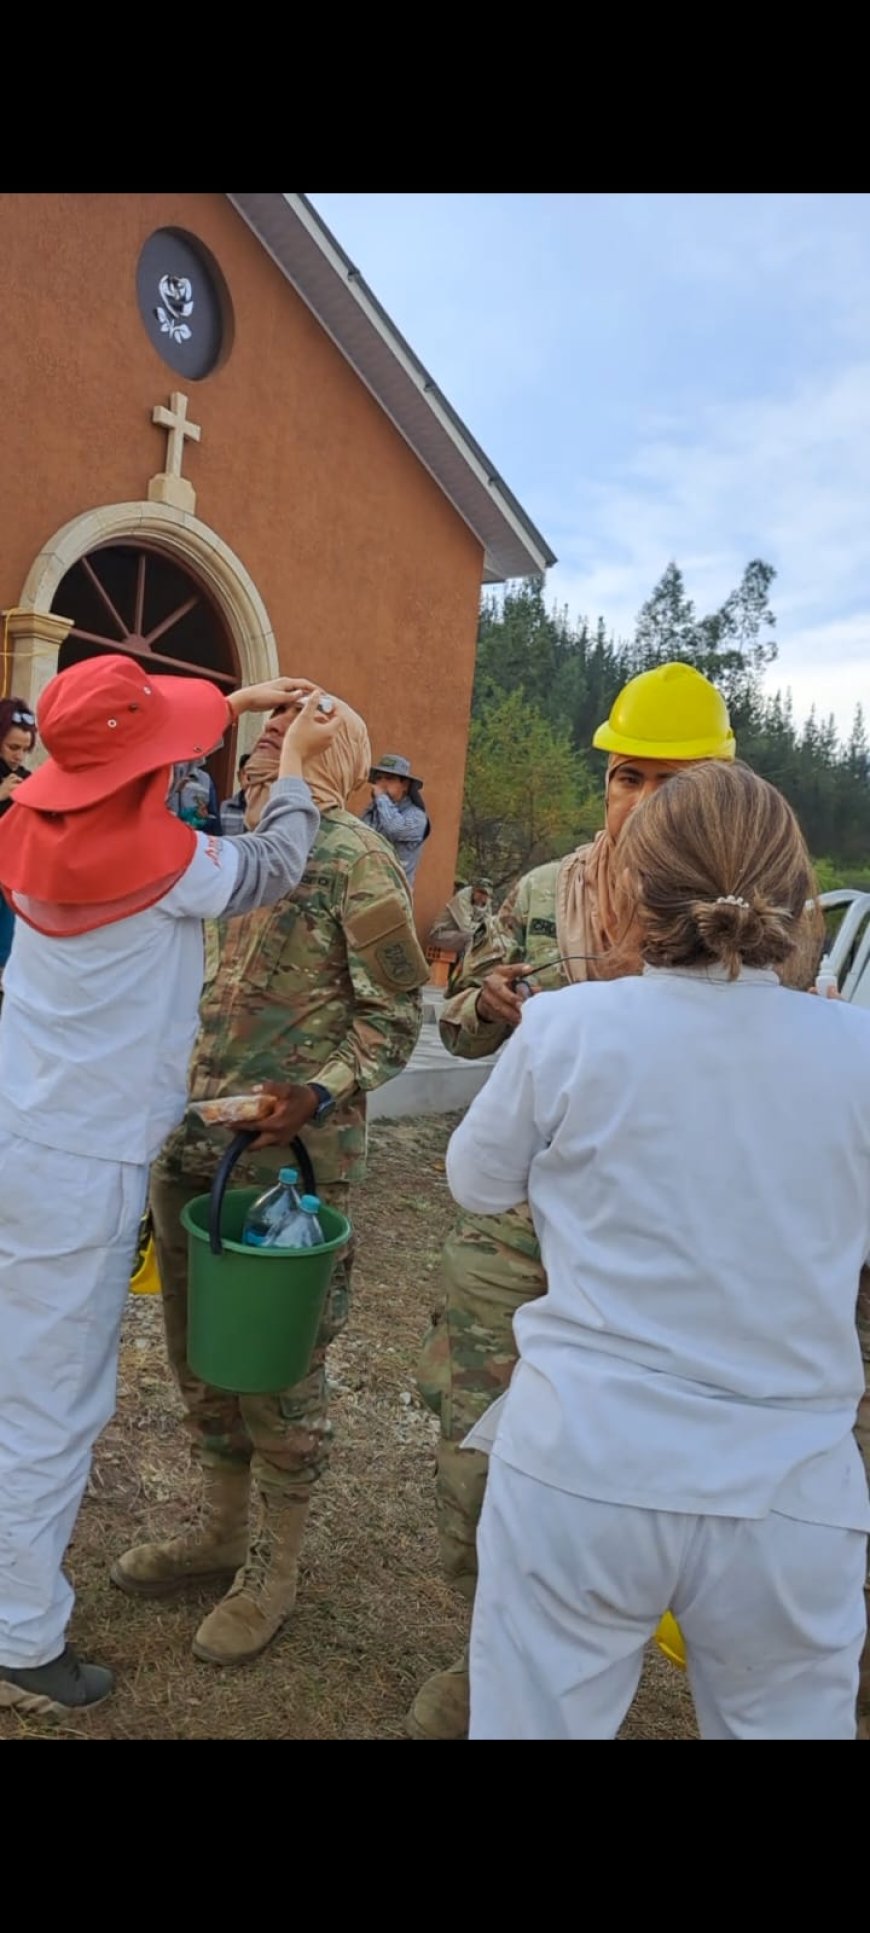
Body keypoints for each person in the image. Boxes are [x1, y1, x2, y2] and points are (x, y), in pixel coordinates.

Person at [410, 661, 825, 1740]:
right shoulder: (544, 891)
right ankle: (493, 1649)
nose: (639, 799)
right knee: (478, 1469)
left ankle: (596, 1641)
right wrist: (489, 1006)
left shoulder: (779, 923)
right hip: (524, 1246)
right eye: (626, 774)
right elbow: (457, 1019)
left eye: (670, 779)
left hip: (679, 1257)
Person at [0, 655, 338, 1715]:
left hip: (17, 1121)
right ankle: (19, 1639)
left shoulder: (20, 825)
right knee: (49, 1405)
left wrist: (214, 716)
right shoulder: (170, 858)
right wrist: (299, 774)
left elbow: (95, 764)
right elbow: (277, 864)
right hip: (75, 1163)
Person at [111, 692, 431, 1668]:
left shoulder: (356, 858)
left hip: (290, 1166)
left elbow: (395, 1019)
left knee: (279, 1373)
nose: (259, 773)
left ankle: (274, 1568)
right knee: (201, 1360)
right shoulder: (242, 856)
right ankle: (218, 1532)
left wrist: (315, 1090)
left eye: (284, 755)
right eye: (255, 758)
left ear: (331, 761)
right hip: (198, 1148)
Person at [0, 697, 37, 978]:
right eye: (13, 747)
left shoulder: (28, 778)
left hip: (12, 873)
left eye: (25, 750)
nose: (19, 756)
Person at [361, 751, 430, 889]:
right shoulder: (374, 811)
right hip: (366, 891)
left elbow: (394, 828)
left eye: (390, 778)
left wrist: (381, 798)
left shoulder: (417, 817)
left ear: (405, 785)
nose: (382, 783)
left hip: (394, 896)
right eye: (379, 778)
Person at [428, 879, 494, 956]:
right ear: (474, 889)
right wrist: (483, 928)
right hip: (441, 935)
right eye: (480, 892)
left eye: (485, 894)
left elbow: (489, 924)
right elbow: (465, 927)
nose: (482, 896)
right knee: (471, 938)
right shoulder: (462, 897)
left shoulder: (487, 902)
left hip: (460, 936)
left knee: (490, 940)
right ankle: (468, 966)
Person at [168, 755, 221, 834]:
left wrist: (199, 822)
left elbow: (213, 818)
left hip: (195, 839)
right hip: (167, 836)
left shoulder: (205, 779)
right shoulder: (165, 776)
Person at [220, 752, 251, 836]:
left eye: (253, 773)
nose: (248, 777)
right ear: (238, 776)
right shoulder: (225, 807)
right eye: (245, 773)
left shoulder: (267, 809)